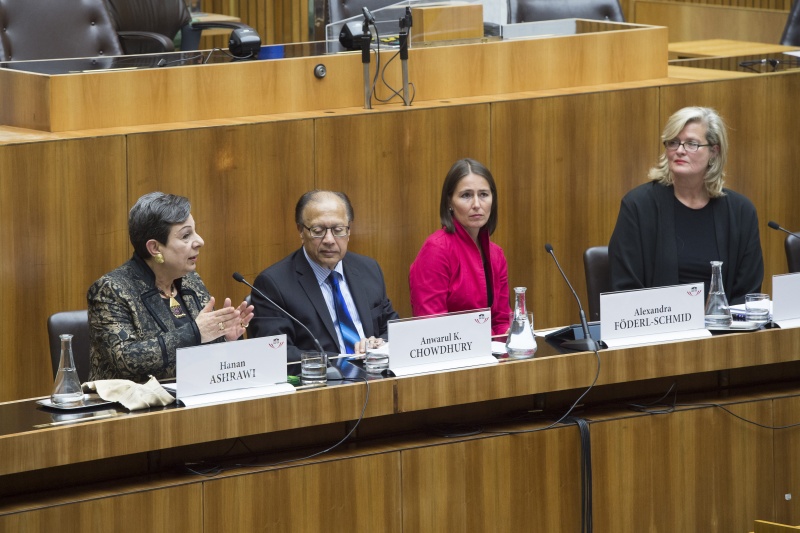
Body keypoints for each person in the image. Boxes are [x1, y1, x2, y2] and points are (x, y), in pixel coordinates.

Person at [88, 192, 253, 382]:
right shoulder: (110, 290)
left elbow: (202, 348)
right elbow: (126, 360)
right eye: (186, 235)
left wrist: (224, 338)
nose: (200, 241)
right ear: (155, 248)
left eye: (195, 231)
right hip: (129, 407)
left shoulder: (191, 281)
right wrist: (196, 332)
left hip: (190, 398)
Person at [609, 106, 763, 305]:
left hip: (724, 332)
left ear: (714, 151)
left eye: (692, 144)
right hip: (661, 330)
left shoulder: (741, 212)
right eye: (673, 142)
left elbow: (747, 293)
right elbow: (625, 288)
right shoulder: (638, 206)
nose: (680, 150)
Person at [250, 190, 399, 366]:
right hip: (321, 386)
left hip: (376, 377)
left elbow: (394, 329)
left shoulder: (368, 269)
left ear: (348, 231)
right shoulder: (273, 284)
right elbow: (276, 353)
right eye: (318, 230)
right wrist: (343, 360)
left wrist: (380, 345)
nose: (329, 239)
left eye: (338, 230)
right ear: (301, 231)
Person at [409, 158, 511, 336]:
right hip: (451, 356)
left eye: (484, 194)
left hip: (491, 355)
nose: (477, 204)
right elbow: (431, 327)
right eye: (466, 195)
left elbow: (501, 320)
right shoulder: (436, 250)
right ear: (449, 202)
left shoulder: (496, 254)